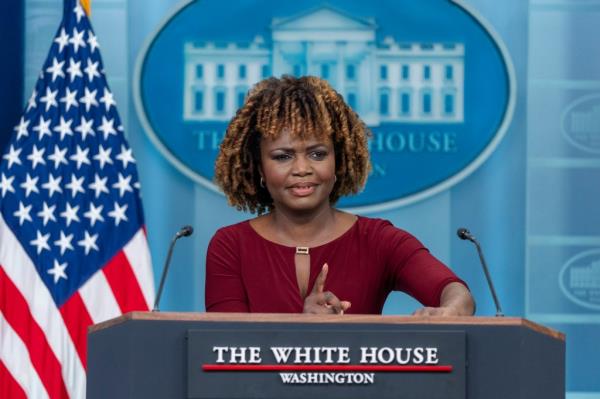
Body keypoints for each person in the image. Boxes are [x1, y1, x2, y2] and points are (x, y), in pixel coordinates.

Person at [205, 75, 475, 316]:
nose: (302, 169)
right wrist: (304, 327)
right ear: (259, 167)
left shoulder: (379, 240)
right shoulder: (230, 246)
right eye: (283, 156)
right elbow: (224, 347)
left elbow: (456, 294)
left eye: (317, 154)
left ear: (339, 162)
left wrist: (449, 312)